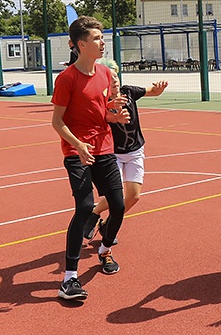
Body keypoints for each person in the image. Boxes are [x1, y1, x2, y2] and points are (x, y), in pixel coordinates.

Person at [51, 16, 127, 301]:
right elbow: (57, 121)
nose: (102, 41)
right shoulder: (67, 78)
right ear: (82, 44)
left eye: (102, 37)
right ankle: (69, 278)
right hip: (76, 151)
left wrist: (113, 114)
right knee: (84, 207)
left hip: (104, 147)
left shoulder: (106, 74)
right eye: (96, 38)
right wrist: (78, 145)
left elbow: (101, 113)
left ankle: (105, 249)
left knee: (118, 205)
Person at [83, 59, 168, 243]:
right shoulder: (101, 101)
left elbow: (151, 91)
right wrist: (113, 116)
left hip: (135, 150)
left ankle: (104, 221)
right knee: (115, 196)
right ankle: (99, 218)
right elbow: (100, 117)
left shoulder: (128, 92)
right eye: (110, 77)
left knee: (134, 196)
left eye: (116, 76)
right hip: (113, 153)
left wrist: (158, 90)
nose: (114, 80)